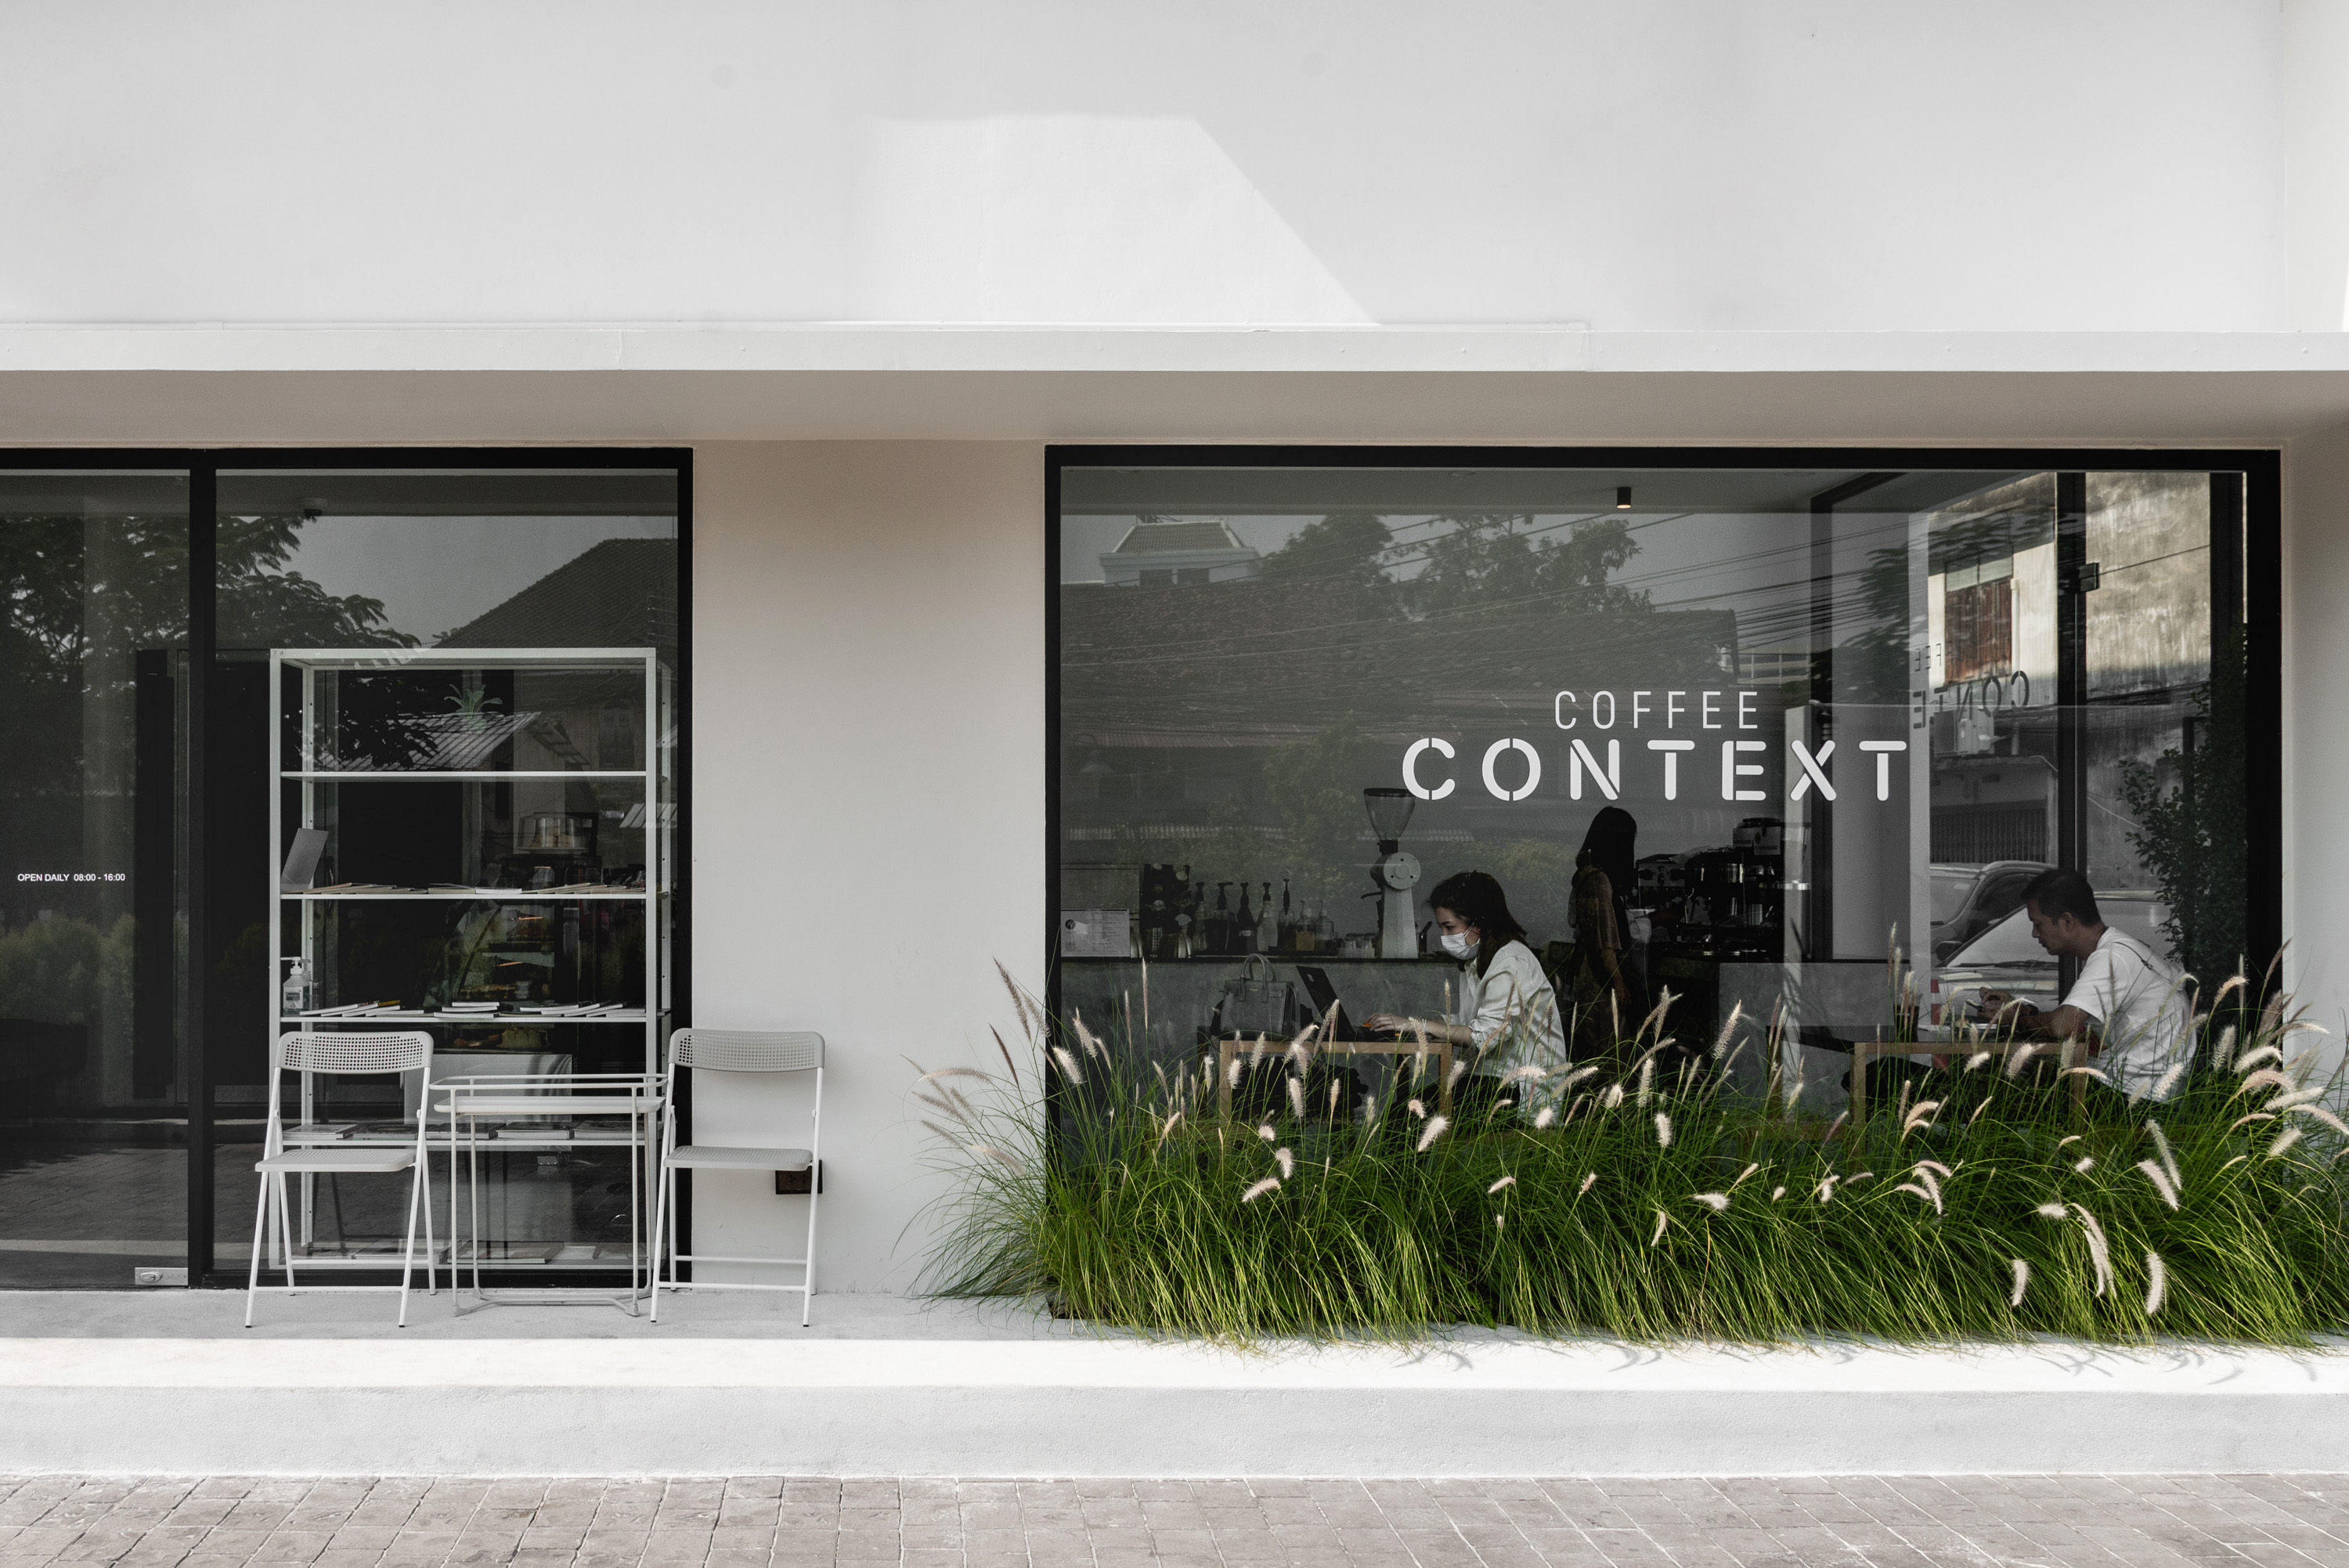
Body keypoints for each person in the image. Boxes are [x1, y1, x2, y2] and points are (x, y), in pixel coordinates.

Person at [1980, 867, 2193, 1102]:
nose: (2034, 933)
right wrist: (2023, 1010)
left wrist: (2015, 1018)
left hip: (2134, 1097)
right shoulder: (2119, 949)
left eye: (2038, 924)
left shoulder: (2112, 958)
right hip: (2136, 1088)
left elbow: (2063, 1026)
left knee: (2005, 1093)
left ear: (2067, 921)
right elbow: (2082, 1030)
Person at [1364, 870, 1567, 1116]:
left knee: (1405, 1116)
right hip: (1492, 1078)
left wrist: (1419, 1025)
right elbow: (1470, 1021)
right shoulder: (1479, 960)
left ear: (1480, 922)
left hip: (1520, 1087)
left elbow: (1485, 1036)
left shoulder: (1511, 961)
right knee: (1404, 1113)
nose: (1445, 937)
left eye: (1449, 927)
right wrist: (1415, 1026)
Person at [1561, 806, 1640, 1060]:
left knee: (1590, 1047)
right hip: (1598, 975)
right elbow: (1605, 941)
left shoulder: (1584, 874)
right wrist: (1619, 982)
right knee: (1612, 1049)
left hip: (1586, 970)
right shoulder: (1599, 880)